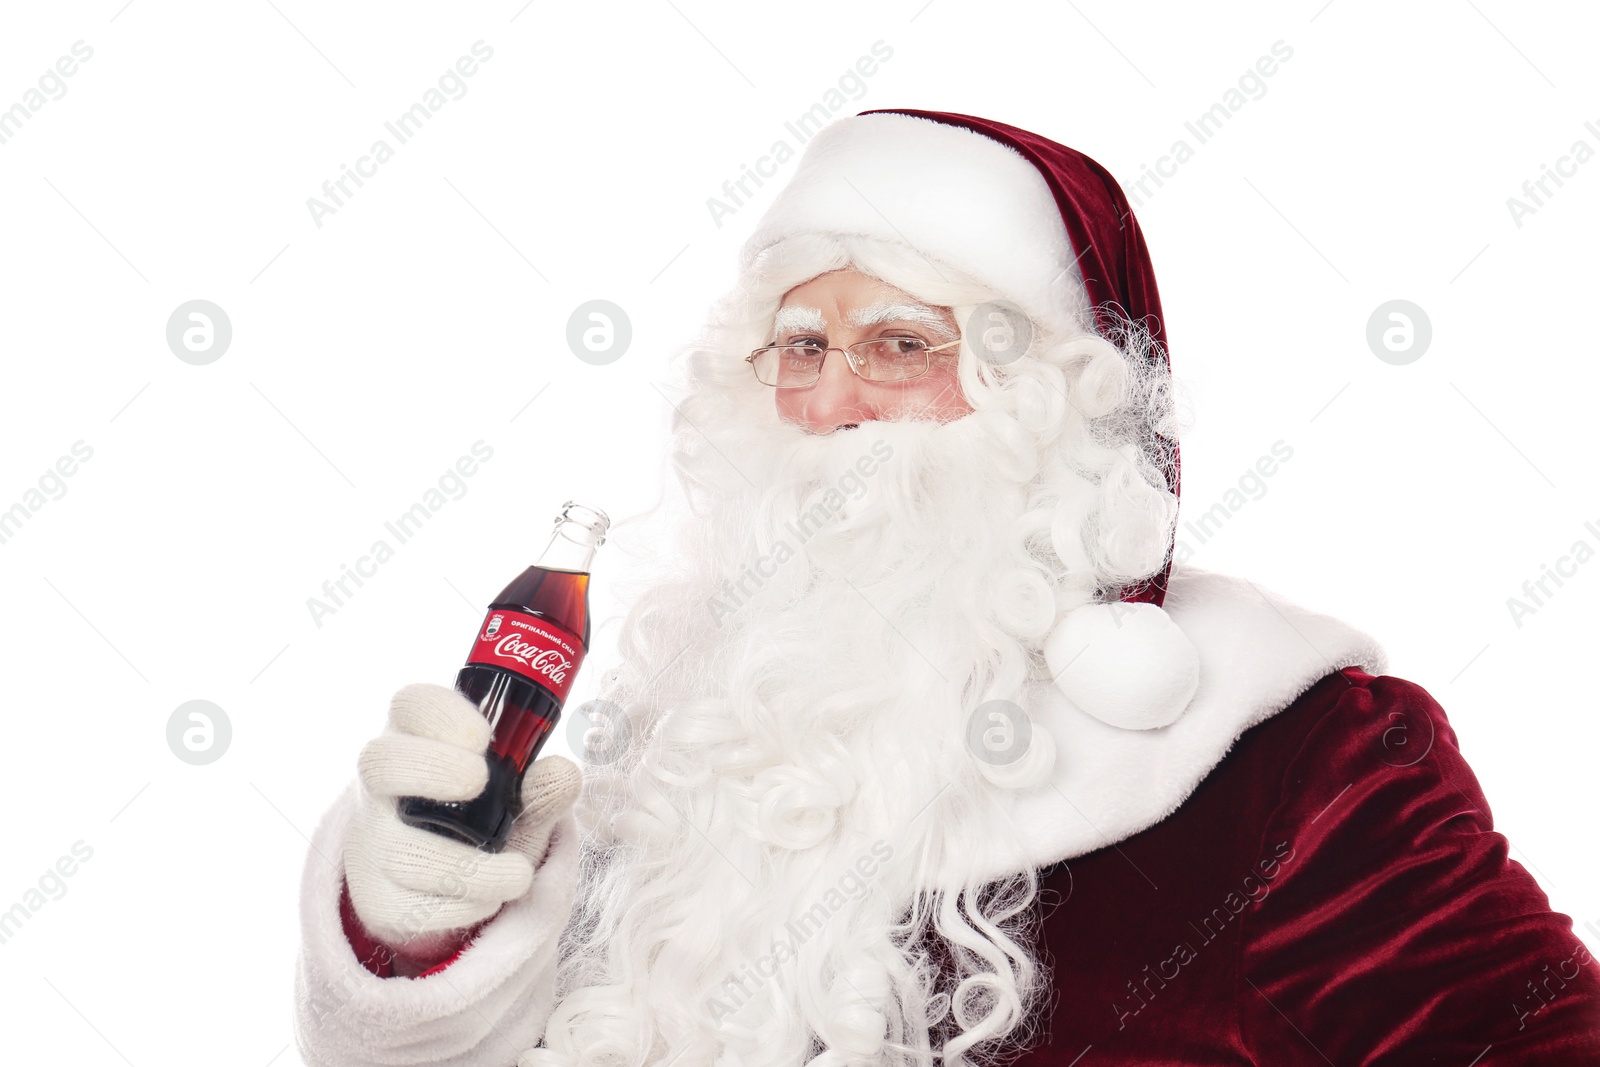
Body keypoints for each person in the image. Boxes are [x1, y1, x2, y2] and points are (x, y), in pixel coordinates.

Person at [292, 109, 1600, 1066]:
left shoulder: (1299, 759)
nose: (831, 400)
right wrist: (409, 936)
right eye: (797, 345)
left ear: (1051, 401)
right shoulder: (711, 750)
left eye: (900, 346)